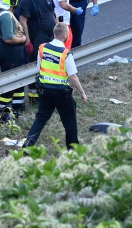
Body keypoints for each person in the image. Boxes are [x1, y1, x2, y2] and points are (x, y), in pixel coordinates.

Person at [22, 21, 87, 149]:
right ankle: (72, 149)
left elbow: (39, 67)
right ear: (64, 36)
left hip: (45, 90)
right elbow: (73, 76)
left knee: (40, 118)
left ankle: (28, 145)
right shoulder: (65, 54)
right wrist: (82, 92)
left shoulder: (42, 48)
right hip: (61, 92)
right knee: (69, 121)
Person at [17, 0, 57, 98]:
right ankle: (35, 95)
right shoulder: (26, 0)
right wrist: (28, 41)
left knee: (50, 63)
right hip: (36, 38)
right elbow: (23, 21)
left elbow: (53, 12)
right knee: (37, 65)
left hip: (51, 36)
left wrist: (58, 29)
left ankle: (49, 89)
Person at [0, 0, 28, 121]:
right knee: (10, 80)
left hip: (2, 49)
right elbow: (9, 38)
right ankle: (2, 110)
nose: (18, 2)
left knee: (16, 78)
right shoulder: (6, 16)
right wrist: (24, 39)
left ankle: (17, 107)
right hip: (10, 51)